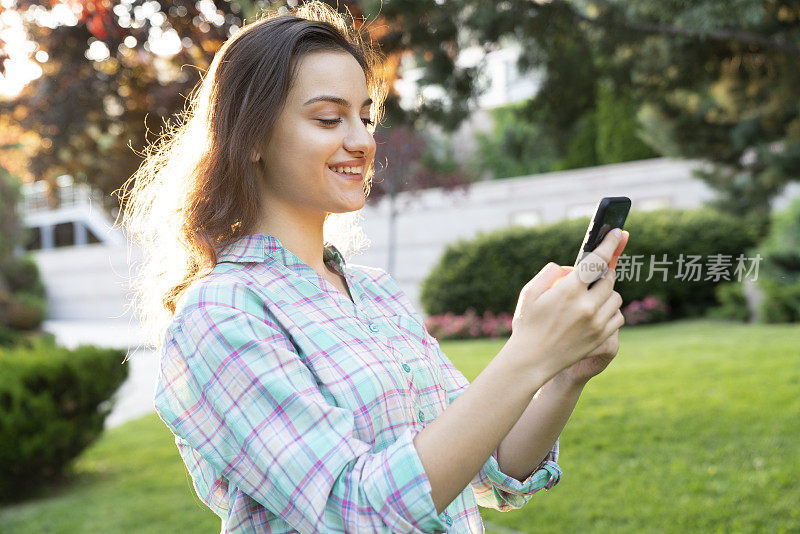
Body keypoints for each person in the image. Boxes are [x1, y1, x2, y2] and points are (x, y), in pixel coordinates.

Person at [118, 2, 629, 533]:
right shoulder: (220, 313)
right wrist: (527, 354)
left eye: (364, 116)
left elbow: (495, 465)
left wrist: (562, 373)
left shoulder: (374, 293)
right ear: (251, 137)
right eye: (328, 119)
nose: (362, 140)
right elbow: (357, 511)